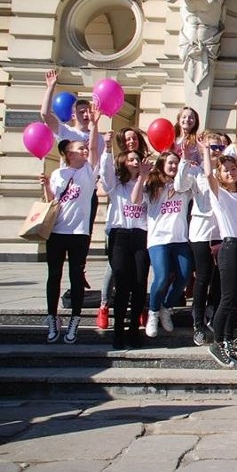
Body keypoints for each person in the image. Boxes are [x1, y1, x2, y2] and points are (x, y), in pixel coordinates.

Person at [40, 107, 102, 344]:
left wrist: (95, 124)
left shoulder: (88, 171)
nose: (84, 149)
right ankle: (52, 317)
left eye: (84, 147)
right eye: (79, 148)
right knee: (53, 275)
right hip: (57, 232)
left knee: (76, 276)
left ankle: (75, 319)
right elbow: (52, 203)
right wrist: (46, 186)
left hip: (79, 233)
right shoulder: (58, 174)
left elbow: (95, 147)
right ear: (67, 153)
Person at [201, 141, 237, 368]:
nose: (230, 173)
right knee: (228, 297)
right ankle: (217, 341)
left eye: (233, 169)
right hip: (229, 247)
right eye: (226, 170)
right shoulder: (218, 193)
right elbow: (207, 174)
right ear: (220, 174)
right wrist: (206, 152)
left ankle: (228, 339)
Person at [133, 151, 193, 338]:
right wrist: (142, 175)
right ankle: (153, 312)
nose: (174, 166)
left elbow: (183, 180)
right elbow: (134, 200)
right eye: (170, 163)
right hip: (158, 239)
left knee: (184, 276)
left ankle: (166, 307)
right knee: (162, 277)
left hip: (180, 239)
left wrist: (185, 160)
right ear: (161, 164)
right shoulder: (152, 183)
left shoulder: (184, 185)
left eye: (176, 163)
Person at [175, 130, 226, 346]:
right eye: (211, 147)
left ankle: (213, 314)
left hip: (222, 229)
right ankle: (198, 323)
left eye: (218, 148)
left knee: (220, 277)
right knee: (203, 276)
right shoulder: (195, 171)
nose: (215, 152)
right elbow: (179, 186)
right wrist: (184, 160)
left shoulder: (227, 170)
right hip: (201, 229)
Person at [100, 136, 150, 349]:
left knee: (139, 284)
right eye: (130, 159)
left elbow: (138, 200)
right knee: (122, 284)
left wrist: (144, 177)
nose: (135, 162)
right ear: (123, 162)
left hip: (141, 235)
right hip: (120, 235)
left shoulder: (148, 185)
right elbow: (104, 172)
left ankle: (133, 331)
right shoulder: (116, 185)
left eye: (137, 159)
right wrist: (107, 147)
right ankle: (118, 331)